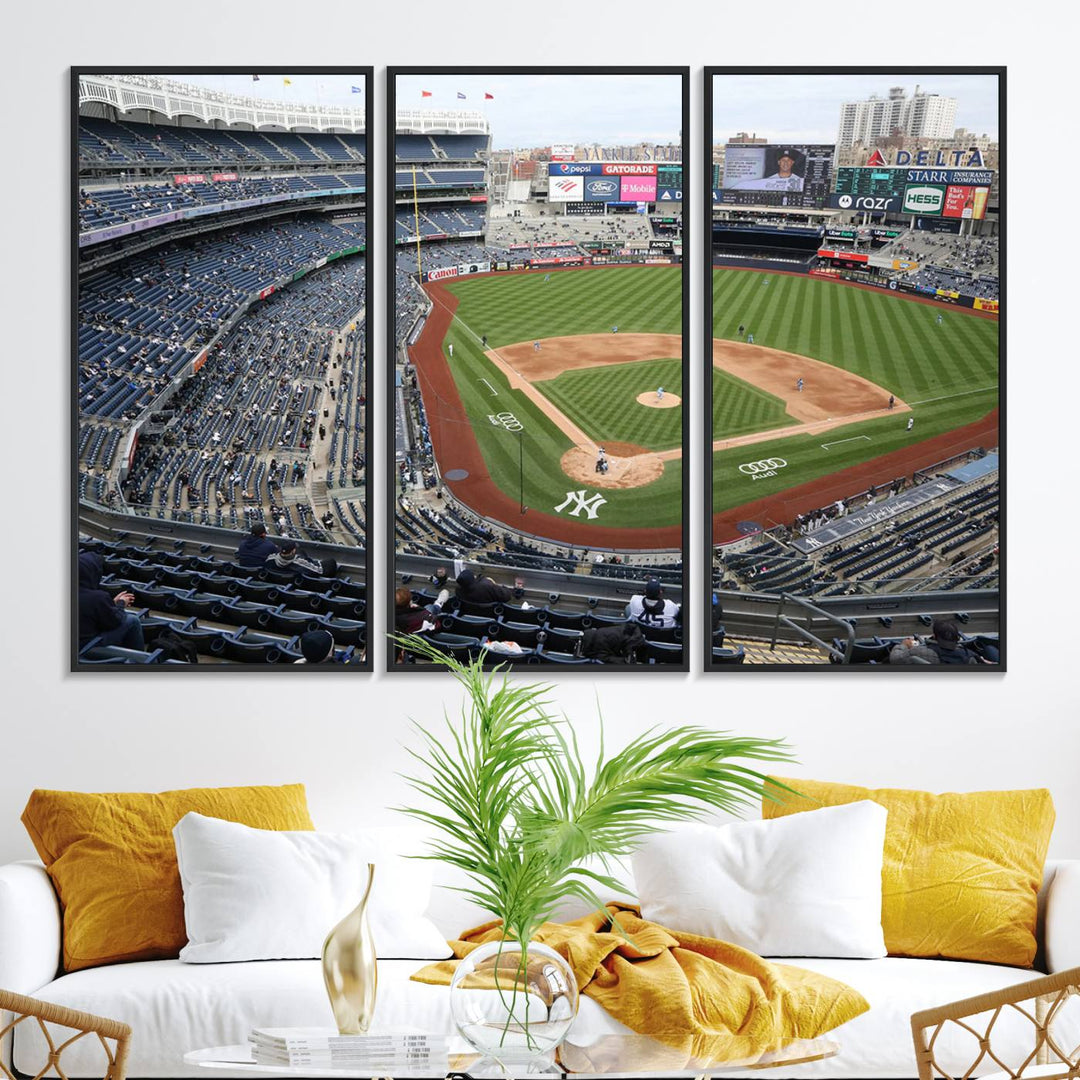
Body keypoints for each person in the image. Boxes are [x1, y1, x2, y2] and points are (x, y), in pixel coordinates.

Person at [77, 552, 145, 650]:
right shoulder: (98, 597)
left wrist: (111, 604)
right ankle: (140, 659)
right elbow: (114, 621)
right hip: (86, 647)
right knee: (132, 620)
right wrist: (121, 604)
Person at [731, 147, 804, 192]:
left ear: (792, 162)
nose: (785, 163)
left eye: (788, 160)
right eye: (783, 160)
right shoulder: (769, 180)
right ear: (779, 162)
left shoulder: (799, 180)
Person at [266, 539, 337, 578]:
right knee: (331, 562)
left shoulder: (270, 559)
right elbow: (318, 571)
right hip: (296, 580)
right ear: (293, 550)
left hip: (282, 581)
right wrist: (317, 562)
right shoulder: (300, 562)